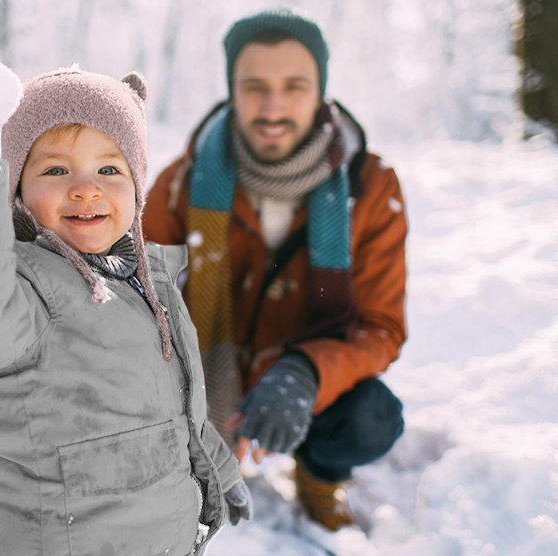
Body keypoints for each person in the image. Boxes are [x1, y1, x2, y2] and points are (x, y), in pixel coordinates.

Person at [0, 64, 248, 555]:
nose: (86, 188)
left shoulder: (148, 282)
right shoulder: (19, 294)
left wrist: (219, 469)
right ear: (16, 190)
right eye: (56, 170)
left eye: (109, 170)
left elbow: (175, 406)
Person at [141, 8, 407, 531]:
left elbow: (382, 327)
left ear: (321, 91)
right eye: (254, 86)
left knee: (372, 416)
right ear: (232, 90)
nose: (272, 107)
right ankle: (192, 458)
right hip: (205, 373)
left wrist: (306, 371)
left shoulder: (371, 186)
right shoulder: (183, 181)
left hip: (306, 381)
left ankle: (318, 478)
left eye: (294, 86)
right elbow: (134, 291)